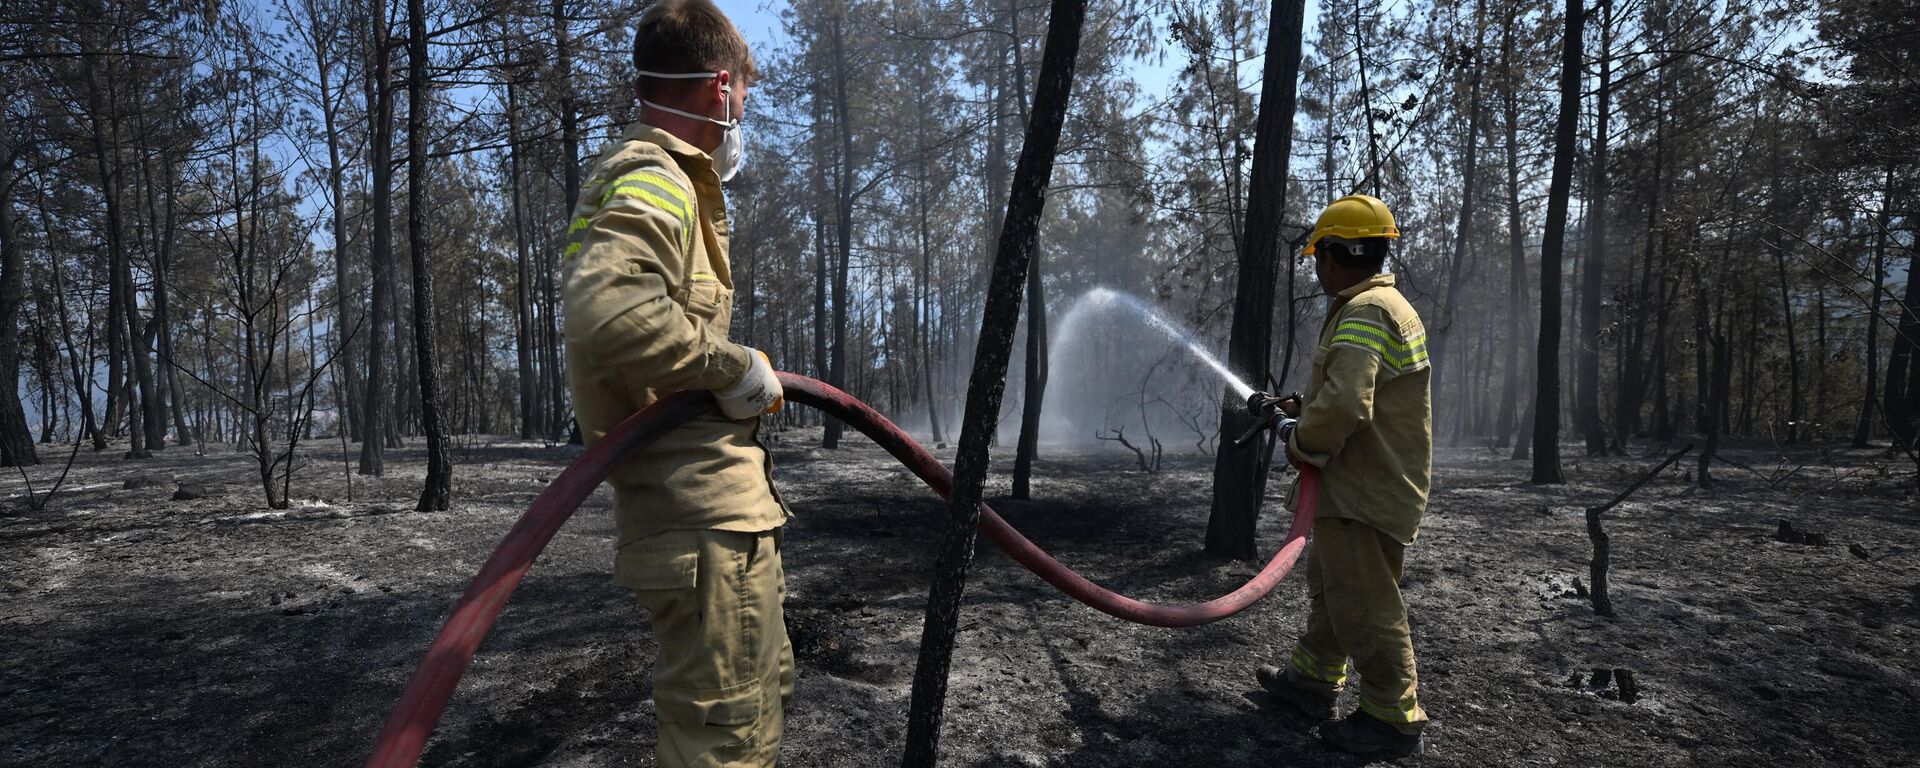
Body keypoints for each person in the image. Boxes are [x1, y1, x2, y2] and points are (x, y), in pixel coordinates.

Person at [559, 2, 790, 765]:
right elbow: (611, 312)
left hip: (717, 523)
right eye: (747, 95)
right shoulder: (656, 174)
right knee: (724, 741)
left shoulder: (653, 177)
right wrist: (733, 367)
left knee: (754, 711)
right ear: (720, 87)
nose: (744, 112)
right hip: (700, 520)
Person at [1255, 194, 1434, 757]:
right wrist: (1298, 405)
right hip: (1361, 484)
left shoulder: (1365, 312)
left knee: (1364, 603)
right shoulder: (1381, 306)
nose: (1315, 266)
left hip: (1364, 487)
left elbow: (1347, 406)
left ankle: (1392, 718)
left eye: (1318, 255)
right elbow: (1351, 390)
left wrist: (1299, 438)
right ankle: (1312, 681)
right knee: (1334, 591)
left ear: (1336, 254)